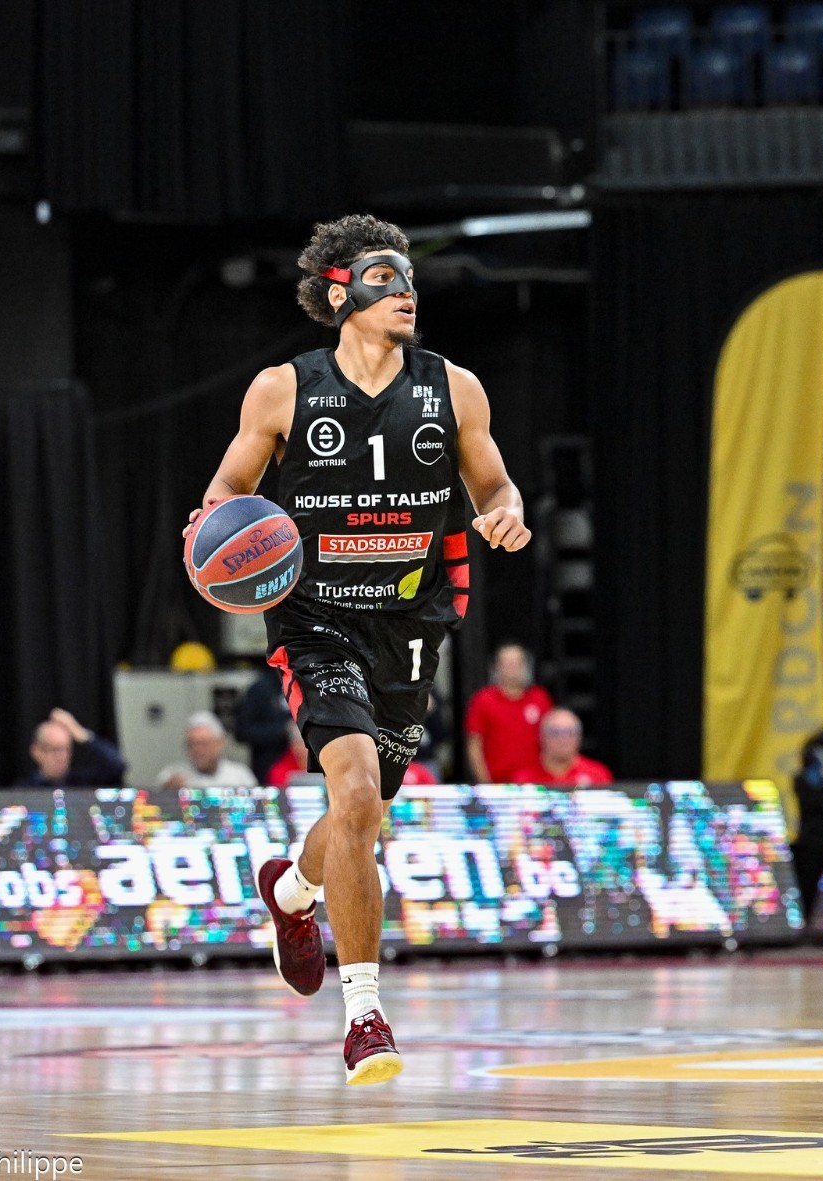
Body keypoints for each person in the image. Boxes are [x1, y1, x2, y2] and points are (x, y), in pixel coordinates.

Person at [185, 213, 529, 1085]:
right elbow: (229, 486)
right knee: (356, 790)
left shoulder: (455, 389)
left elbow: (494, 482)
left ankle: (291, 891)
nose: (406, 290)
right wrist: (212, 523)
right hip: (316, 619)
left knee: (362, 816)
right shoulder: (282, 390)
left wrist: (507, 512)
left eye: (410, 277)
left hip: (411, 619)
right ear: (338, 293)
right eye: (385, 276)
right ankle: (365, 1016)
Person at [464, 643, 552, 782]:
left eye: (517, 663)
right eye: (507, 663)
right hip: (497, 782)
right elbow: (474, 745)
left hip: (534, 782)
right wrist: (485, 783)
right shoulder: (483, 700)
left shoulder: (539, 698)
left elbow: (551, 741)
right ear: (496, 667)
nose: (512, 668)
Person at [15, 708, 127, 787]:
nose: (61, 756)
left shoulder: (82, 783)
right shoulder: (24, 789)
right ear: (36, 751)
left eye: (66, 749)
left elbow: (117, 765)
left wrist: (83, 735)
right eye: (55, 749)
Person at [156, 711, 259, 788]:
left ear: (220, 744)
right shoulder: (171, 776)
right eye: (192, 744)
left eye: (203, 744)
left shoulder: (240, 776)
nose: (197, 750)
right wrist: (168, 793)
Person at [518, 708, 614, 787]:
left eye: (569, 732)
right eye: (555, 732)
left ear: (579, 738)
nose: (563, 739)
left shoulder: (598, 776)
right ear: (542, 737)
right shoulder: (524, 779)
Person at [237, 665, 295, 784]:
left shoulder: (306, 685)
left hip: (303, 765)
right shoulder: (260, 690)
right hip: (267, 767)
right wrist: (284, 729)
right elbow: (242, 731)